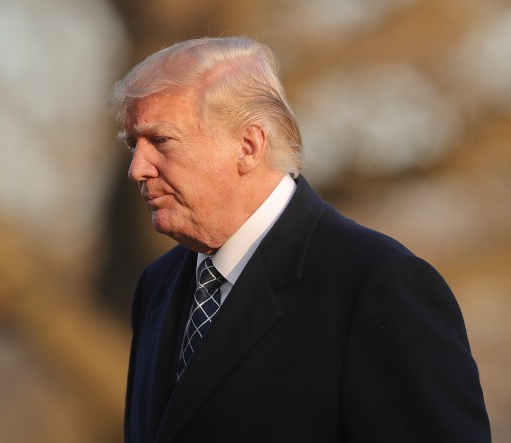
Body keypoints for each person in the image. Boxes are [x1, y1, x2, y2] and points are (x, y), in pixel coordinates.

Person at [110, 36, 490, 443]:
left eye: (161, 140)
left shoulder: (377, 286)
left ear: (248, 146)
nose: (137, 168)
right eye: (134, 144)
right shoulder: (158, 286)